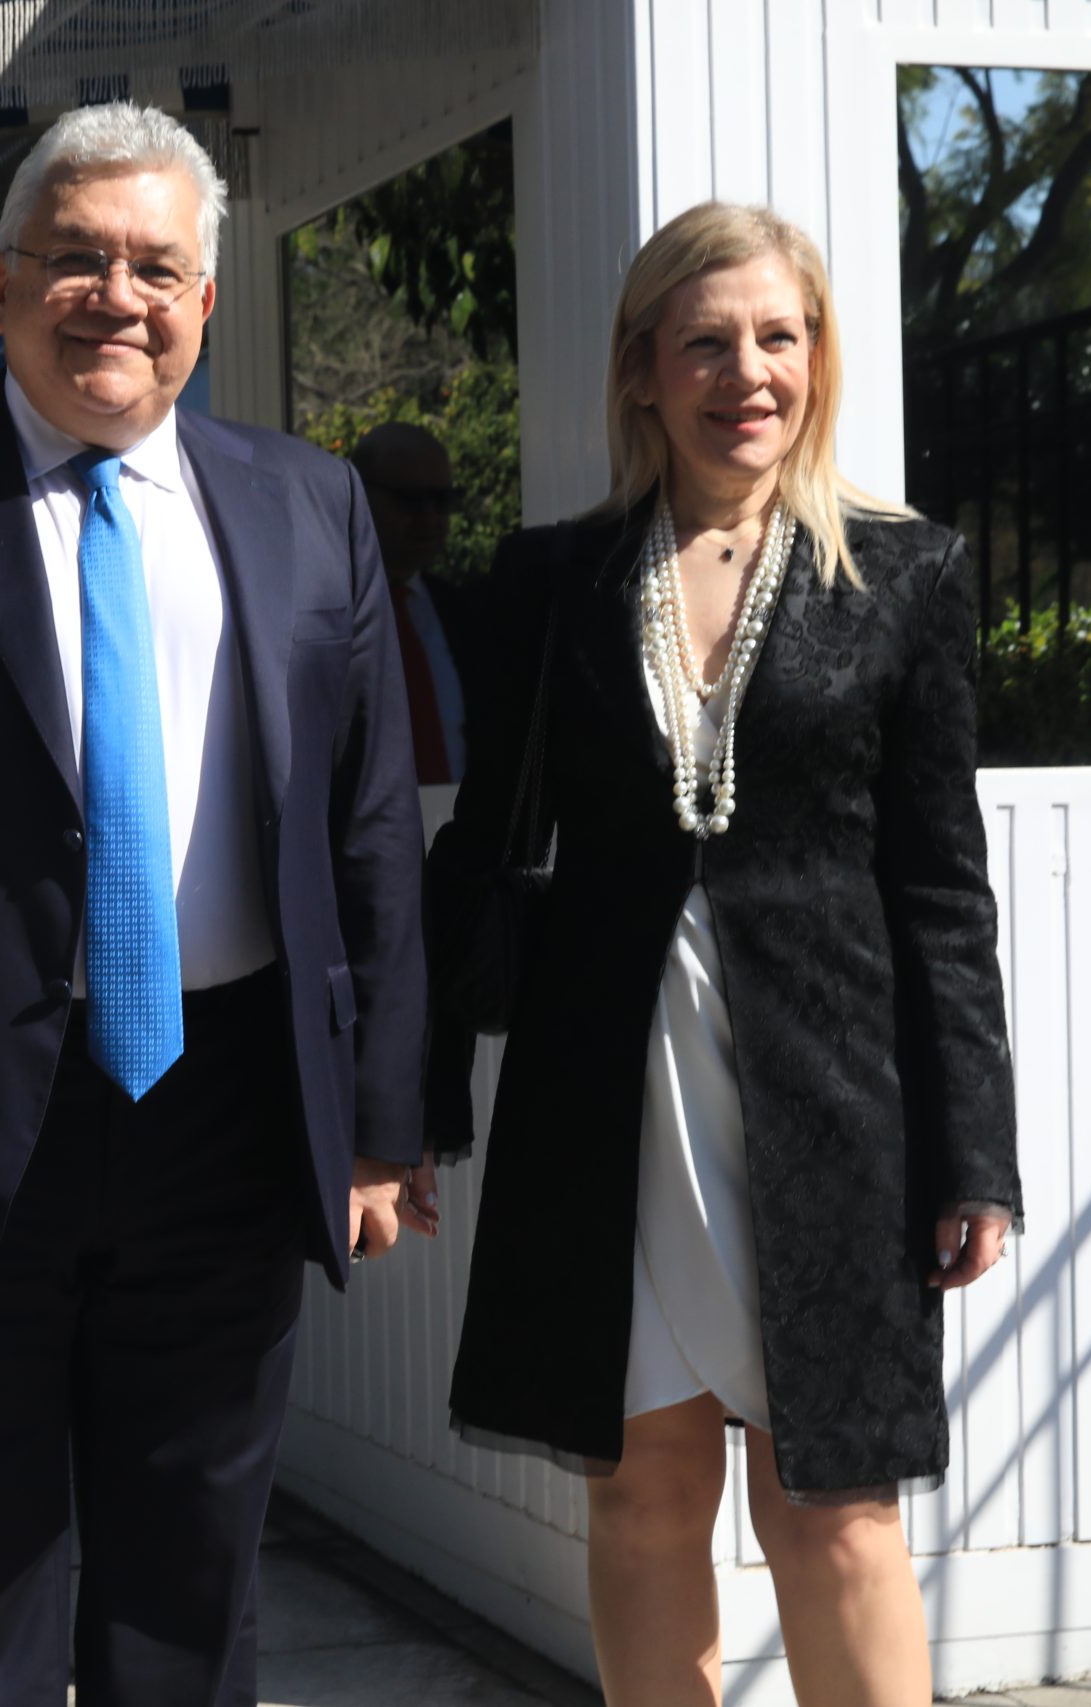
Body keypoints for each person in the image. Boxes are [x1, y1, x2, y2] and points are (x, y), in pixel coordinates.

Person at [0, 102, 432, 1705]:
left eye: (156, 267)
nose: (116, 296)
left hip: (230, 1116)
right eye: (76, 260)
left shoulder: (310, 504)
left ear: (205, 300)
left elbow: (371, 825)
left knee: (190, 1602)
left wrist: (383, 1122)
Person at [427, 201, 1020, 1707]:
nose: (744, 372)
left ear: (817, 357)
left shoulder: (906, 574)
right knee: (640, 1494)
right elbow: (481, 847)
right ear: (642, 369)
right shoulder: (553, 580)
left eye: (776, 336)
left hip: (834, 1105)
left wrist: (976, 1152)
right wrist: (412, 1103)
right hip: (605, 1099)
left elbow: (942, 888)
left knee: (835, 1513)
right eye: (703, 342)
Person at [349, 422, 479, 783]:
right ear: (359, 496)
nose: (430, 518)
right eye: (410, 499)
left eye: (443, 501)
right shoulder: (323, 615)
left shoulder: (467, 615)